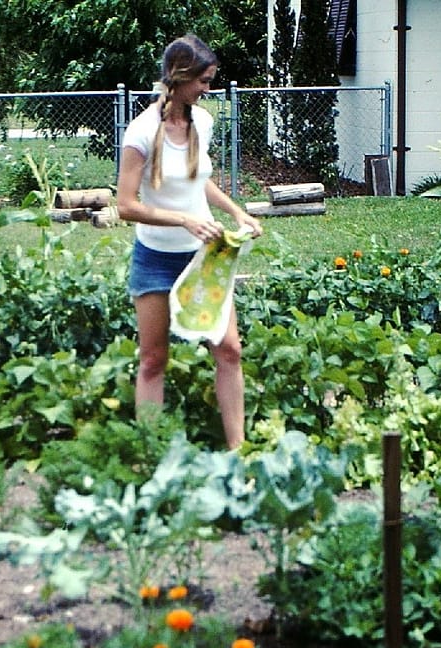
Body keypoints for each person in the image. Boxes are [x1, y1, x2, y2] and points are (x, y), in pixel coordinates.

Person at [116, 34, 263, 449]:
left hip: (205, 258)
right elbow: (125, 205)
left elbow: (200, 179)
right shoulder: (141, 133)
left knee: (229, 350)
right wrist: (184, 219)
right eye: (203, 81)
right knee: (153, 360)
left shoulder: (203, 123)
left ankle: (239, 452)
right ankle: (149, 454)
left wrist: (236, 211)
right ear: (179, 78)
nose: (207, 89)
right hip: (156, 259)